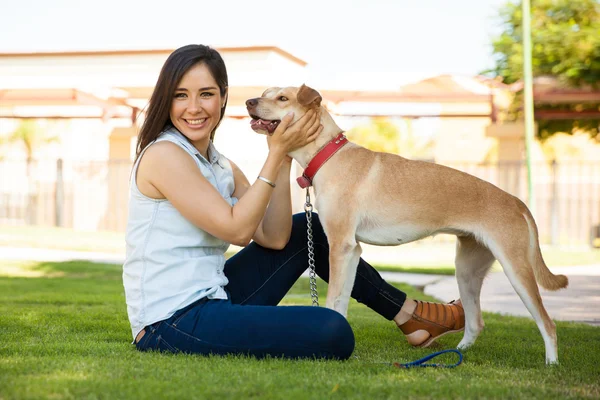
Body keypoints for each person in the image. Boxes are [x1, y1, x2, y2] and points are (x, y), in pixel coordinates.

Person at [123, 44, 465, 360]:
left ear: (223, 98)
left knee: (310, 229)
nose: (194, 107)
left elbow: (275, 237)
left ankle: (411, 316)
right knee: (332, 331)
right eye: (180, 95)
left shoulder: (218, 163)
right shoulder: (165, 155)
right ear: (166, 100)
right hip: (170, 321)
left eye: (206, 94)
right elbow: (237, 230)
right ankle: (409, 317)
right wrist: (277, 153)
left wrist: (283, 157)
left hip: (216, 294)